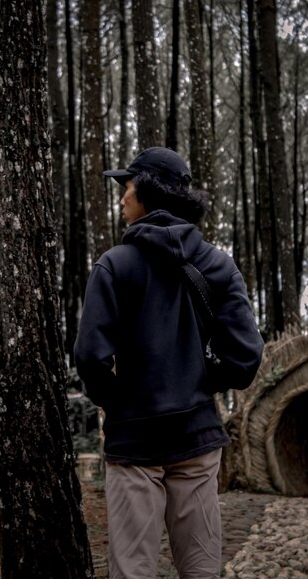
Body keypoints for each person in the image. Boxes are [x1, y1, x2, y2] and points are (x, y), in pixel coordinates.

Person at [74, 147, 264, 579]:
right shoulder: (217, 264)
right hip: (197, 441)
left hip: (134, 444)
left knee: (132, 571)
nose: (122, 195)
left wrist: (117, 403)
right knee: (201, 570)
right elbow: (246, 357)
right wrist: (198, 381)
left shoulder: (114, 266)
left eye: (128, 185)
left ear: (148, 191)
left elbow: (89, 356)